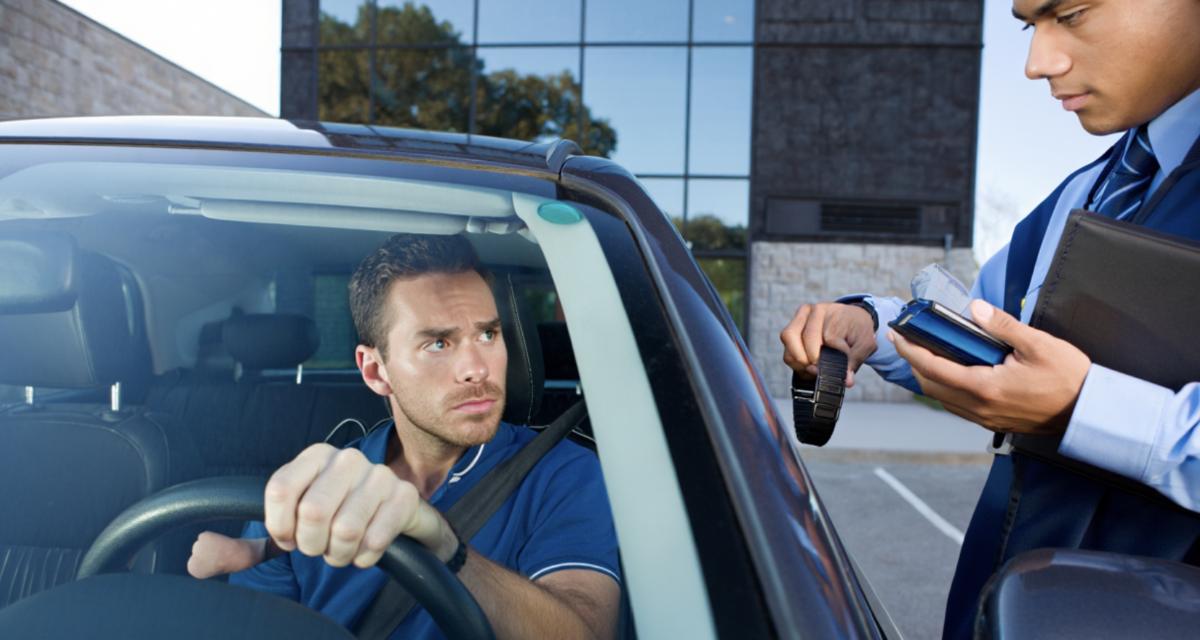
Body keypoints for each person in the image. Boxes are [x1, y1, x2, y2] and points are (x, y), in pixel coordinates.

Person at [780, 1, 1200, 637]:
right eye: (1030, 26)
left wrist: (1080, 408)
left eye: (1074, 13)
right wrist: (866, 321)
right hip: (997, 599)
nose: (1038, 64)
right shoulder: (1084, 193)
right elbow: (979, 334)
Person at [186, 233, 621, 640]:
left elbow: (585, 632)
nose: (478, 368)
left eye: (488, 334)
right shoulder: (306, 497)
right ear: (376, 371)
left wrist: (448, 549)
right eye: (438, 344)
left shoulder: (564, 474)